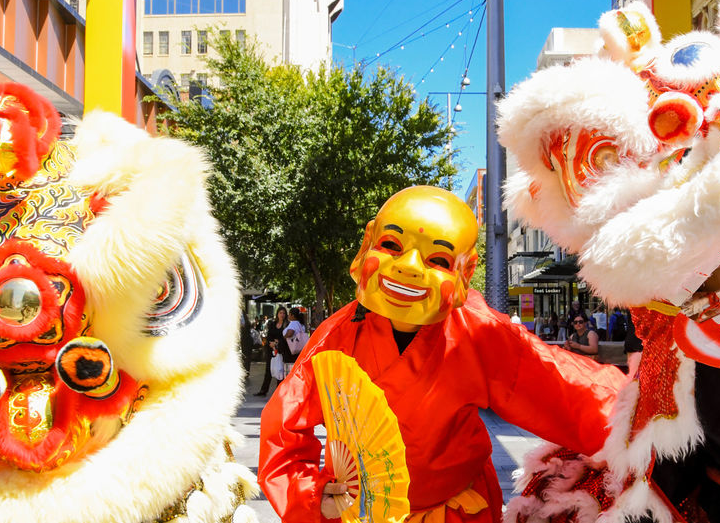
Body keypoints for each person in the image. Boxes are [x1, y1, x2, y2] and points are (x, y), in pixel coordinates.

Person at [258, 186, 625, 523]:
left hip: (457, 510)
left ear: (465, 271)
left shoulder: (478, 331)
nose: (408, 267)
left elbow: (559, 385)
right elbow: (283, 430)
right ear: (368, 243)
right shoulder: (336, 336)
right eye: (391, 245)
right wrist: (311, 494)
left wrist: (636, 418)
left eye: (437, 260)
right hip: (361, 512)